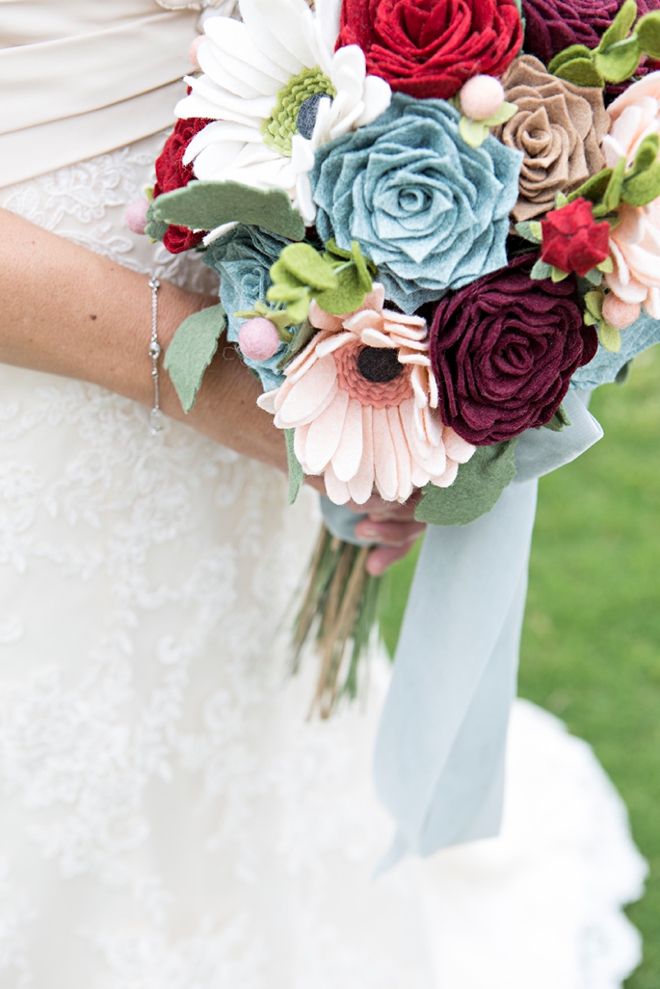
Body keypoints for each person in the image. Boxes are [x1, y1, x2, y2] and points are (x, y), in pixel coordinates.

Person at [0, 2, 647, 986]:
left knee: (218, 722)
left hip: (272, 278)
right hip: (51, 367)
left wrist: (415, 369)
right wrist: (210, 381)